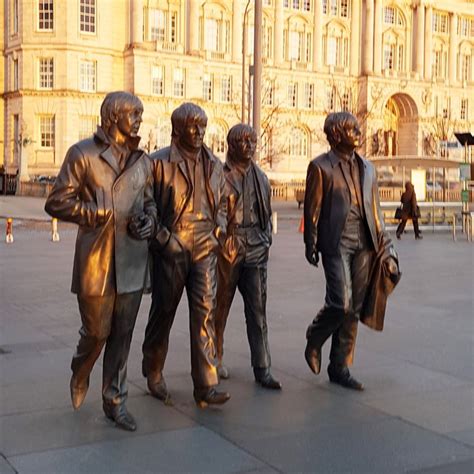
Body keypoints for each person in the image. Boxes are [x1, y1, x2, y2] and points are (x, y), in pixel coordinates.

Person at [45, 91, 157, 431]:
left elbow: (150, 203)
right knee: (96, 332)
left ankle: (115, 400)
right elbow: (56, 202)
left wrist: (149, 221)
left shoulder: (143, 161)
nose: (139, 120)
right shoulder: (83, 154)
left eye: (140, 114)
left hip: (133, 260)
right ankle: (81, 369)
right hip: (97, 261)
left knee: (122, 335)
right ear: (113, 117)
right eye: (133, 114)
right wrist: (93, 213)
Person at [142, 103, 230, 408]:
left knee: (205, 312)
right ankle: (153, 369)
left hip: (206, 245)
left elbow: (222, 206)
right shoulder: (158, 163)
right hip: (173, 245)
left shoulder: (214, 165)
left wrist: (218, 231)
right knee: (164, 312)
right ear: (177, 129)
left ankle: (205, 385)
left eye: (203, 125)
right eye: (193, 126)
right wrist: (164, 240)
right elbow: (146, 206)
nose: (200, 132)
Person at [303, 112, 399, 390]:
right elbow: (313, 210)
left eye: (358, 128)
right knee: (340, 302)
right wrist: (311, 243)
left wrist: (387, 248)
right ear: (335, 135)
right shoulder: (321, 167)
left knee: (354, 308)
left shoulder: (368, 168)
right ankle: (315, 336)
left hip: (365, 243)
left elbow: (377, 212)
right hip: (336, 242)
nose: (358, 132)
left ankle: (340, 366)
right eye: (351, 129)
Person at [214, 124, 281, 390]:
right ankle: (214, 357)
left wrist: (266, 239)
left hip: (255, 246)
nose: (249, 146)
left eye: (252, 141)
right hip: (229, 244)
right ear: (231, 145)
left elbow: (266, 212)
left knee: (257, 310)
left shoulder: (262, 177)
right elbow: (215, 211)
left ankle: (262, 367)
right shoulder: (219, 175)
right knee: (220, 307)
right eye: (243, 142)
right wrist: (219, 240)